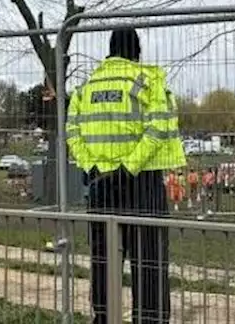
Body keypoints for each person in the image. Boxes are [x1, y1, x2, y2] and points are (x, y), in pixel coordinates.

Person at [66, 28, 186, 324]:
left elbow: (72, 132)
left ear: (110, 50)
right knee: (149, 262)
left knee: (104, 261)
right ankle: (149, 319)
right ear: (136, 51)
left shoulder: (86, 87)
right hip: (141, 181)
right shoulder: (146, 80)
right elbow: (158, 129)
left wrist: (92, 167)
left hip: (98, 184)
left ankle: (104, 318)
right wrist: (128, 167)